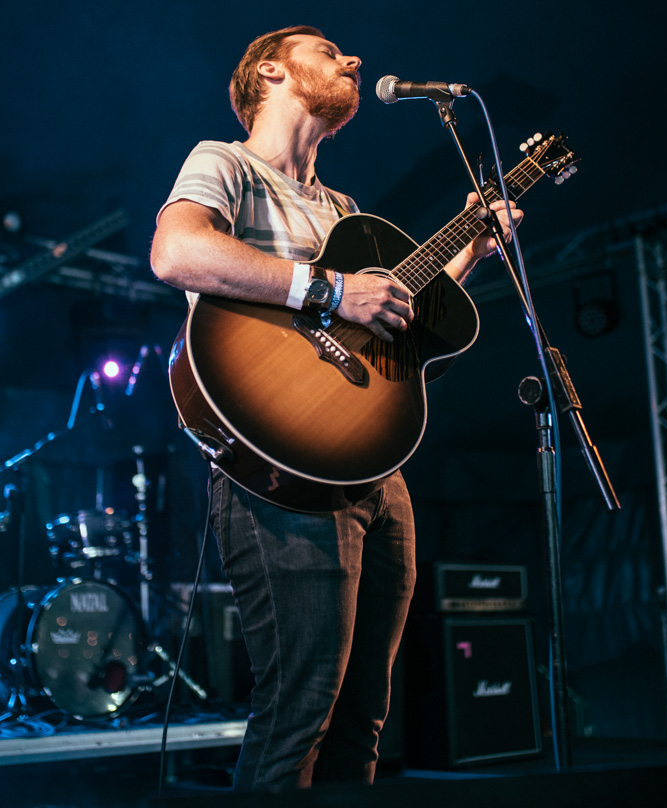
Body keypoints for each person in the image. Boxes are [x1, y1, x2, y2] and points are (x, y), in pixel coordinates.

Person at [149, 26, 521, 792]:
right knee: (300, 706)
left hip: (372, 469)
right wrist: (327, 289)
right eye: (327, 50)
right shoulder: (227, 164)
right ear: (273, 70)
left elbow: (386, 314)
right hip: (277, 471)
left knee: (364, 716)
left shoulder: (343, 208)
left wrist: (471, 249)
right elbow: (176, 254)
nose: (350, 60)